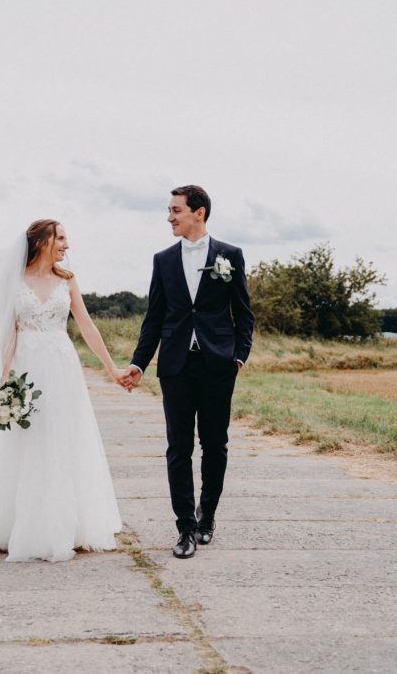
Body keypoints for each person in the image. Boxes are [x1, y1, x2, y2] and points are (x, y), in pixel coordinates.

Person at [0, 219, 126, 562]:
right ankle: (21, 524)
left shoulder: (67, 280)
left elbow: (86, 325)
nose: (66, 245)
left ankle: (66, 524)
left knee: (62, 439)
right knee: (28, 442)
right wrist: (3, 378)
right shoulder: (14, 281)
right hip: (27, 367)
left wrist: (111, 367)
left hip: (62, 367)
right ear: (43, 241)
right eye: (61, 238)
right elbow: (9, 332)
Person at [123, 185, 254, 559]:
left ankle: (206, 518)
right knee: (178, 447)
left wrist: (239, 357)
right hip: (175, 366)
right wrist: (138, 363)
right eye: (169, 210)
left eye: (175, 210)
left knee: (214, 445)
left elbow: (243, 313)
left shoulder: (230, 255)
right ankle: (184, 529)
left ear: (199, 212)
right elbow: (154, 318)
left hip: (218, 364)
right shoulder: (163, 260)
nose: (169, 217)